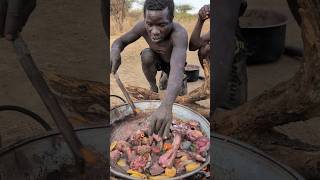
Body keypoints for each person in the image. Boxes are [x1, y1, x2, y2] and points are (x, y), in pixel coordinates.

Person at [110, 0, 188, 139]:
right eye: (149, 24)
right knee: (146, 55)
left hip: (174, 64)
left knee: (179, 95)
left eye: (162, 25)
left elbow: (177, 69)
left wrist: (166, 106)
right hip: (156, 59)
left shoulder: (179, 34)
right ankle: (153, 86)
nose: (155, 31)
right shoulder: (141, 27)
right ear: (145, 20)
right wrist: (115, 50)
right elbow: (119, 41)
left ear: (171, 19)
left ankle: (168, 77)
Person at [189, 2, 248, 110]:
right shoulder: (221, 28)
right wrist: (200, 20)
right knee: (205, 49)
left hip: (232, 100)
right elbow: (193, 45)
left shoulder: (229, 31)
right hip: (224, 93)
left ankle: (219, 98)